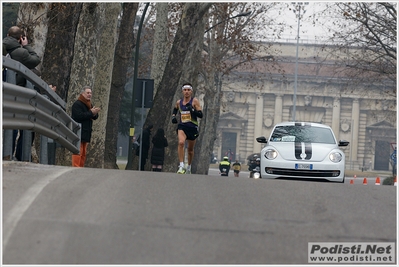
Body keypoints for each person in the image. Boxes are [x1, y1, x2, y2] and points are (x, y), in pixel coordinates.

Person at [3, 26, 41, 161]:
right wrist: (27, 46)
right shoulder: (21, 52)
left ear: (7, 35)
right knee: (13, 124)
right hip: (14, 94)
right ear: (21, 38)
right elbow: (35, 60)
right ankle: (10, 154)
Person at [171, 82, 203, 174]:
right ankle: (181, 165)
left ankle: (189, 166)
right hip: (182, 126)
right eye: (185, 90)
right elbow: (175, 109)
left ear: (191, 92)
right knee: (181, 143)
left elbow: (201, 115)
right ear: (182, 91)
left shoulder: (194, 101)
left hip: (192, 127)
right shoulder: (179, 102)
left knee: (190, 150)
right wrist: (173, 116)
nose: (187, 92)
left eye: (188, 90)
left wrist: (192, 110)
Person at [71, 86, 100, 167]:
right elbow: (79, 116)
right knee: (77, 151)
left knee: (83, 152)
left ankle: (81, 167)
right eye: (87, 93)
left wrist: (95, 113)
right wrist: (91, 112)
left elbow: (94, 116)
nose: (89, 94)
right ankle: (76, 167)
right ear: (82, 93)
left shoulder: (89, 104)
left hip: (86, 132)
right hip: (78, 131)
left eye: (90, 93)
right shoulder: (77, 104)